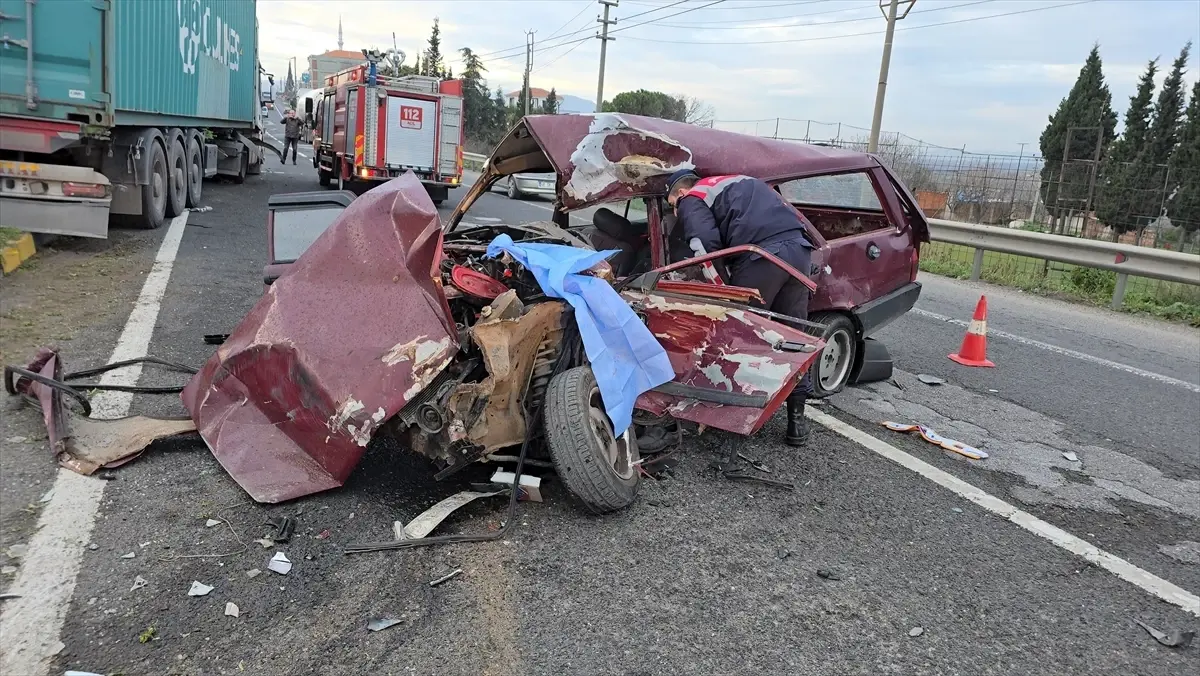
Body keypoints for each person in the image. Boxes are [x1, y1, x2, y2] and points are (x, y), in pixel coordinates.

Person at [664, 169, 816, 446]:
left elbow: (703, 246)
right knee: (793, 337)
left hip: (763, 256)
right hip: (800, 251)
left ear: (679, 194)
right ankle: (797, 423)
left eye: (673, 206)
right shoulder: (738, 182)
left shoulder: (692, 197)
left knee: (741, 338)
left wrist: (723, 290)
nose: (677, 213)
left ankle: (732, 420)